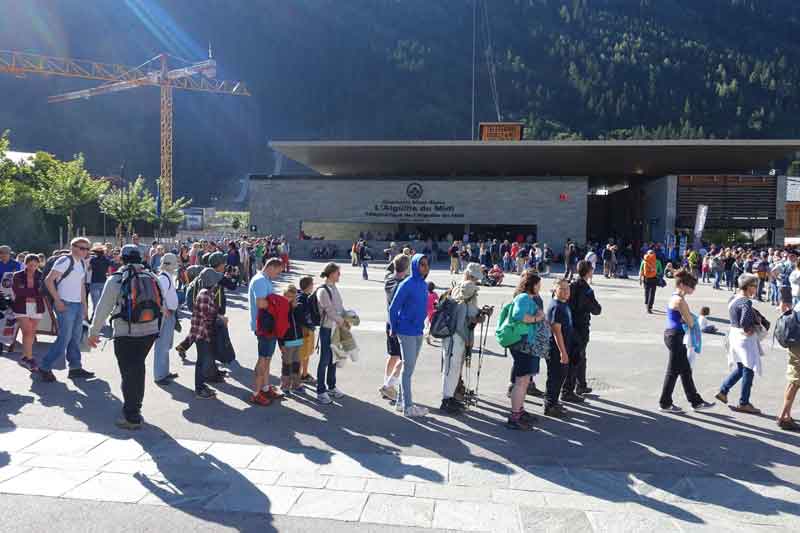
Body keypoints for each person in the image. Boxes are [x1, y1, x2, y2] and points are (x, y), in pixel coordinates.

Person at [88, 244, 162, 429]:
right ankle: (136, 407)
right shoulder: (152, 276)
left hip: (126, 332)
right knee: (138, 368)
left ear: (122, 258)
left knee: (128, 373)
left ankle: (131, 416)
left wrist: (94, 332)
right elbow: (163, 303)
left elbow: (103, 307)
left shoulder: (117, 279)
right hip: (150, 331)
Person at [659, 270, 715, 413]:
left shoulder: (675, 297)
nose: (693, 289)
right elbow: (690, 322)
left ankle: (695, 402)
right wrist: (691, 319)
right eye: (691, 286)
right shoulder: (680, 301)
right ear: (682, 285)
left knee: (684, 371)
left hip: (672, 335)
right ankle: (665, 403)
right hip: (676, 336)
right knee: (674, 372)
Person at [38, 237, 94, 383]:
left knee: (75, 338)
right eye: (82, 248)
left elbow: (81, 286)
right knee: (64, 338)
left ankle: (75, 368)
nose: (85, 251)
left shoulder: (82, 262)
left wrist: (85, 306)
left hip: (77, 305)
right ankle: (44, 366)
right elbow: (48, 280)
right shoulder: (64, 261)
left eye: (87, 249)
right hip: (65, 304)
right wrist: (57, 300)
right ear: (73, 247)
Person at [715, 273, 765, 414]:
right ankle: (744, 402)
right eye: (754, 285)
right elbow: (745, 322)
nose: (756, 288)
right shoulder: (745, 302)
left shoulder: (733, 298)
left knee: (741, 366)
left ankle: (723, 391)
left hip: (734, 334)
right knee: (749, 368)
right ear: (748, 286)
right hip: (744, 338)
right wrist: (751, 327)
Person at [388, 254, 431, 417]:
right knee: (407, 370)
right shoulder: (406, 284)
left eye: (426, 264)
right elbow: (393, 308)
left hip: (418, 330)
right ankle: (408, 407)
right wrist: (393, 327)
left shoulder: (423, 285)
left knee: (409, 369)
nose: (425, 267)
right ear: (415, 265)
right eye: (422, 264)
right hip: (406, 331)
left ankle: (401, 402)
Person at [440, 263, 483, 415]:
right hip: (458, 334)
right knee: (453, 368)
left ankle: (449, 397)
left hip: (451, 333)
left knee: (450, 368)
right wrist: (481, 316)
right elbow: (472, 314)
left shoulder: (457, 286)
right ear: (471, 276)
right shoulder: (469, 287)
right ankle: (447, 400)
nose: (476, 281)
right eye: (476, 278)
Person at [506, 270, 546, 429]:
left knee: (523, 381)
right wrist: (538, 318)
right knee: (521, 381)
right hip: (522, 344)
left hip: (526, 344)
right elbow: (519, 316)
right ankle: (515, 416)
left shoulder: (526, 298)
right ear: (532, 285)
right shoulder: (523, 298)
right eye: (538, 284)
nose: (540, 287)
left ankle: (519, 411)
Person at [563, 260, 601, 401]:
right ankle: (567, 390)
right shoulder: (586, 289)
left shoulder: (571, 285)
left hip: (570, 325)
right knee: (575, 358)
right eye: (592, 270)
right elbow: (596, 309)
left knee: (580, 357)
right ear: (588, 272)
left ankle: (581, 384)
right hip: (580, 327)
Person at [248, 257, 283, 405]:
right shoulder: (261, 280)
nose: (278, 275)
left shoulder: (265, 279)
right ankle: (256, 393)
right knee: (262, 359)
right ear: (271, 267)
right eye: (278, 272)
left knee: (267, 358)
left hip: (268, 326)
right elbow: (261, 303)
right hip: (263, 327)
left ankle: (266, 388)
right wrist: (279, 304)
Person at [189, 268, 225, 400]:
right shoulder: (205, 294)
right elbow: (207, 316)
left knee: (203, 360)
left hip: (203, 332)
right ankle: (199, 389)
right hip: (202, 333)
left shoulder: (207, 292)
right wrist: (220, 318)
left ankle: (201, 385)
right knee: (201, 361)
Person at [380, 254, 410, 402]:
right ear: (407, 268)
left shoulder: (388, 280)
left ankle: (387, 385)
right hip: (401, 325)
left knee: (393, 355)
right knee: (405, 360)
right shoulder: (404, 284)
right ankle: (388, 386)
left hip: (389, 322)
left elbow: (389, 269)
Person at [316, 262, 347, 404]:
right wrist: (342, 321)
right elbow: (329, 311)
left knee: (333, 358)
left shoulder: (333, 287)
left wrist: (348, 315)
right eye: (338, 272)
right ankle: (320, 391)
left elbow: (339, 307)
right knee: (325, 359)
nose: (339, 275)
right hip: (327, 328)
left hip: (335, 328)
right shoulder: (323, 291)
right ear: (331, 273)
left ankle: (331, 387)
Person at [11, 254, 45, 372]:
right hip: (21, 307)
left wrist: (29, 292)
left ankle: (24, 357)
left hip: (37, 307)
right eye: (30, 265)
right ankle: (30, 359)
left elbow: (43, 292)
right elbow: (18, 292)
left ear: (38, 264)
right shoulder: (17, 275)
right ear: (25, 264)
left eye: (35, 265)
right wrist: (35, 292)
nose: (33, 268)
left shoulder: (41, 275)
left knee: (31, 333)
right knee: (27, 332)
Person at [544, 279, 572, 417]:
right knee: (555, 376)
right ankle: (550, 405)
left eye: (568, 288)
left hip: (563, 346)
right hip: (555, 349)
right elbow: (556, 331)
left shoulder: (563, 304)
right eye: (562, 289)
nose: (566, 291)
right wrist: (562, 352)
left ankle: (554, 402)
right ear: (555, 290)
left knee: (560, 375)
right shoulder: (556, 307)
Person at [153, 253, 180, 385]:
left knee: (166, 345)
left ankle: (164, 372)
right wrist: (164, 310)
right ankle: (159, 375)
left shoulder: (166, 276)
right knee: (162, 345)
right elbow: (157, 296)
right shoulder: (164, 278)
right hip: (166, 315)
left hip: (169, 314)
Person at [279, 284, 304, 392]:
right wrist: (281, 343)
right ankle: (285, 385)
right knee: (287, 364)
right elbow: (280, 327)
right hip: (287, 341)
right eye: (288, 296)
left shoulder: (298, 307)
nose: (290, 299)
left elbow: (301, 320)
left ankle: (296, 384)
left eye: (292, 297)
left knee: (296, 363)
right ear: (284, 295)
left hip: (298, 339)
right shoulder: (282, 308)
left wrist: (295, 308)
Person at [296, 276, 317, 384]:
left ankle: (304, 374)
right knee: (302, 354)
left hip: (307, 329)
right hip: (304, 330)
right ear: (308, 286)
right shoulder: (302, 298)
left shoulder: (304, 296)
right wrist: (310, 325)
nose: (313, 286)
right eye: (312, 284)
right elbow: (303, 316)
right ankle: (298, 376)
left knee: (306, 353)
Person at [87, 243, 111, 319]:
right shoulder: (107, 260)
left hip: (94, 282)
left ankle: (94, 317)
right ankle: (100, 317)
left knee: (95, 302)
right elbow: (109, 272)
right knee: (102, 302)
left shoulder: (93, 260)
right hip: (103, 282)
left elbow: (89, 269)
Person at [639, 249, 662, 314]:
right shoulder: (658, 261)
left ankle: (647, 304)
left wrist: (640, 279)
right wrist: (656, 272)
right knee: (652, 293)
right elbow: (660, 271)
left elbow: (641, 271)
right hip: (654, 278)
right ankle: (649, 307)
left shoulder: (644, 261)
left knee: (646, 292)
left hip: (646, 278)